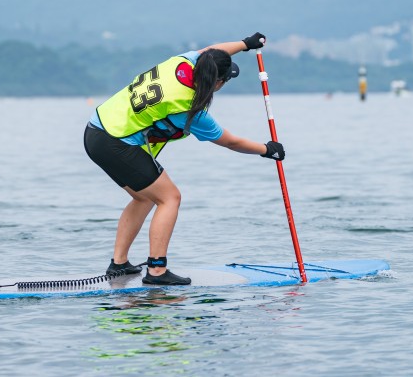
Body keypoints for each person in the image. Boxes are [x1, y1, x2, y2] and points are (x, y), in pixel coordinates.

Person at [83, 32, 286, 285]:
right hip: (114, 142)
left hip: (96, 129)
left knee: (145, 197)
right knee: (170, 198)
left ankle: (119, 264)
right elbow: (231, 142)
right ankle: (156, 271)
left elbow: (212, 50)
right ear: (217, 83)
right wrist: (267, 149)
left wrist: (246, 44)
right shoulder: (189, 107)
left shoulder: (185, 62)